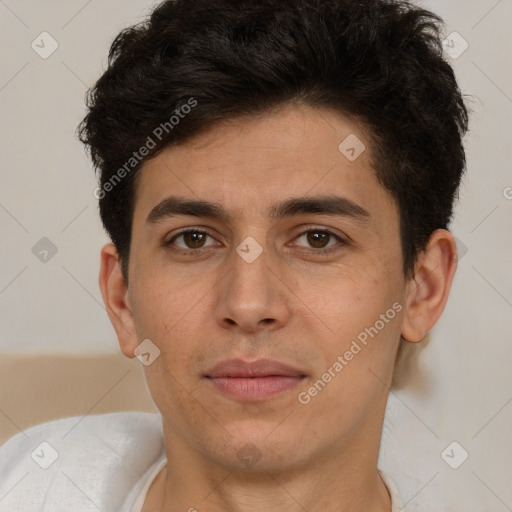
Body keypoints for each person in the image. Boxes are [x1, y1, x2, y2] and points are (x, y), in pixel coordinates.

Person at [0, 0, 469, 510]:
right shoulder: (31, 484)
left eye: (317, 239)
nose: (248, 305)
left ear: (423, 287)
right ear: (122, 298)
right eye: (193, 239)